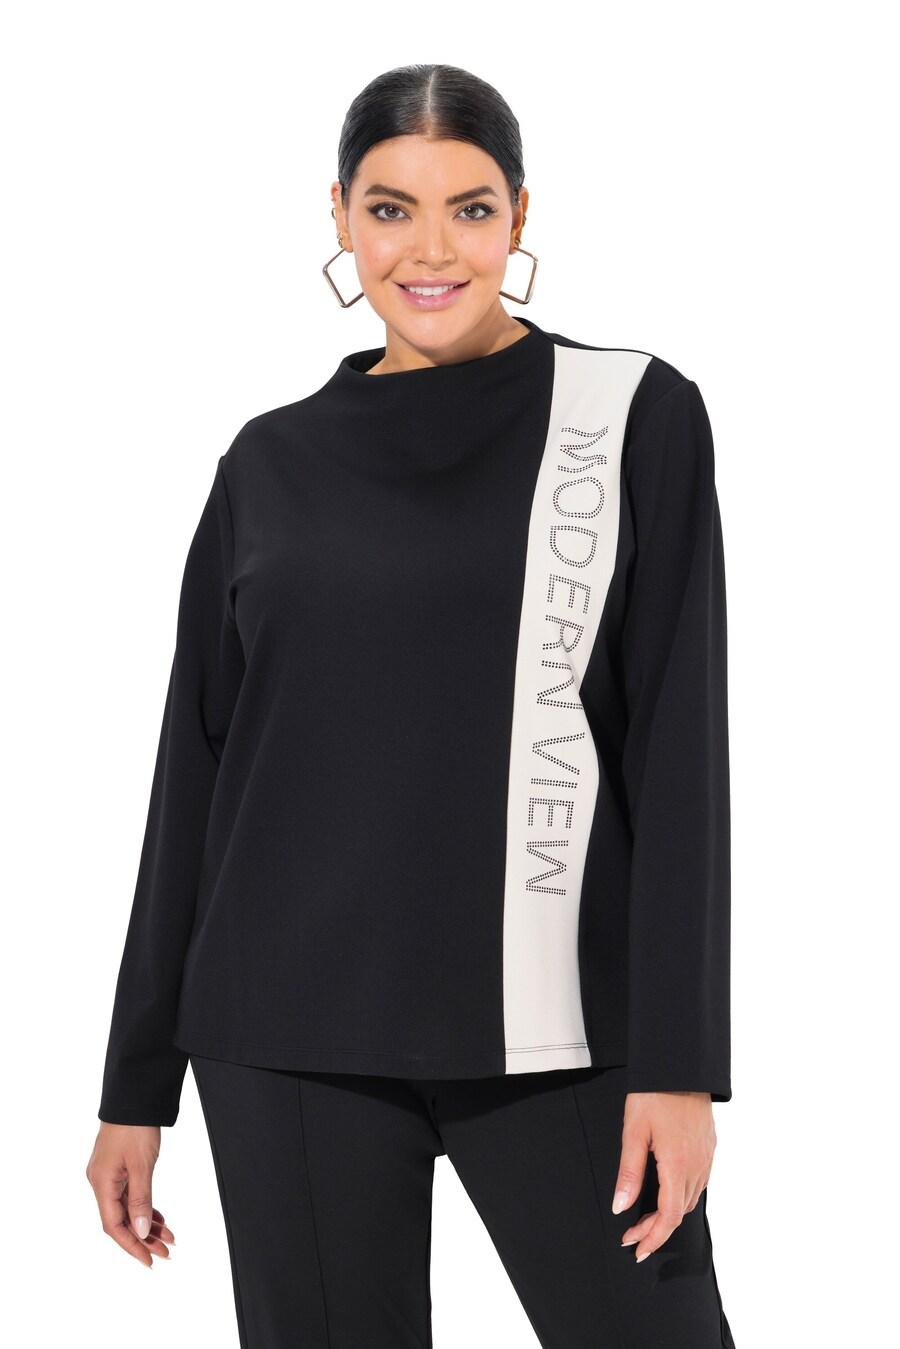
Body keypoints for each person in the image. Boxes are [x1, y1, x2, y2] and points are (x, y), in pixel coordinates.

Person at [86, 62, 736, 1349]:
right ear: (339, 215)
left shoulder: (629, 414)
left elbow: (680, 753)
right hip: (284, 1035)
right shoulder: (267, 461)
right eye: (390, 209)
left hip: (562, 1027)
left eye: (470, 209)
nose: (430, 250)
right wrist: (133, 1083)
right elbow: (196, 779)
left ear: (520, 215)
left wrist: (679, 1062)